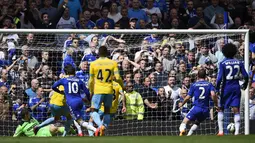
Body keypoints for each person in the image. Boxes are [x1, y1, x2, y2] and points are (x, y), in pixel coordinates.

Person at [52, 64, 99, 136]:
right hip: (80, 101)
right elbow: (86, 91)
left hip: (71, 103)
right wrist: (89, 100)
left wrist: (60, 92)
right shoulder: (79, 80)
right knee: (72, 117)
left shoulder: (64, 80)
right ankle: (80, 132)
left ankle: (95, 130)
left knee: (79, 121)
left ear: (66, 73)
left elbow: (53, 86)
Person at [88, 46, 124, 136]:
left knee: (93, 110)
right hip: (109, 90)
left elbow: (91, 80)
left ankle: (100, 126)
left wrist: (91, 90)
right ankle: (104, 128)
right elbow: (118, 77)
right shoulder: (113, 63)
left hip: (98, 90)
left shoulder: (93, 63)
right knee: (107, 111)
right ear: (107, 53)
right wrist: (122, 86)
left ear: (98, 53)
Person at [216, 43, 249, 136]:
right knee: (236, 109)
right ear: (234, 52)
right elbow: (246, 75)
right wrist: (245, 84)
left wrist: (217, 89)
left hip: (226, 88)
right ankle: (237, 132)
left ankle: (221, 131)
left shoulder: (222, 63)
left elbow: (219, 78)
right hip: (236, 87)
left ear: (224, 52)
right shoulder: (239, 62)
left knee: (221, 108)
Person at [179, 69, 218, 136]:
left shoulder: (194, 85)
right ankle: (189, 135)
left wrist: (182, 104)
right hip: (206, 109)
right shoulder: (209, 84)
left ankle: (182, 130)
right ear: (205, 76)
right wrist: (216, 104)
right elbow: (213, 94)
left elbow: (188, 97)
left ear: (197, 76)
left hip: (196, 107)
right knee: (197, 122)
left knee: (184, 122)